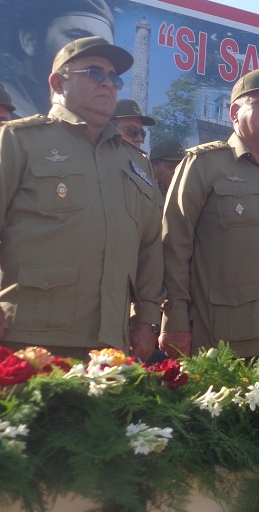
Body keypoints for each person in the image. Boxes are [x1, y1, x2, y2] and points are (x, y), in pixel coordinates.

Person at [0, 36, 162, 360]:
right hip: (27, 340)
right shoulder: (18, 141)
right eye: (94, 73)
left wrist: (146, 319)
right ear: (58, 82)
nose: (107, 84)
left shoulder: (135, 163)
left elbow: (150, 247)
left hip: (110, 347)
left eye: (114, 78)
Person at [160, 67, 259, 361]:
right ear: (234, 111)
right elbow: (174, 247)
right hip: (225, 344)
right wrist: (175, 321)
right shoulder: (204, 165)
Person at [1, 0, 115, 117]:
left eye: (103, 47)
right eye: (77, 38)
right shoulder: (8, 109)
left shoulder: (100, 129)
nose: (95, 55)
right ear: (30, 41)